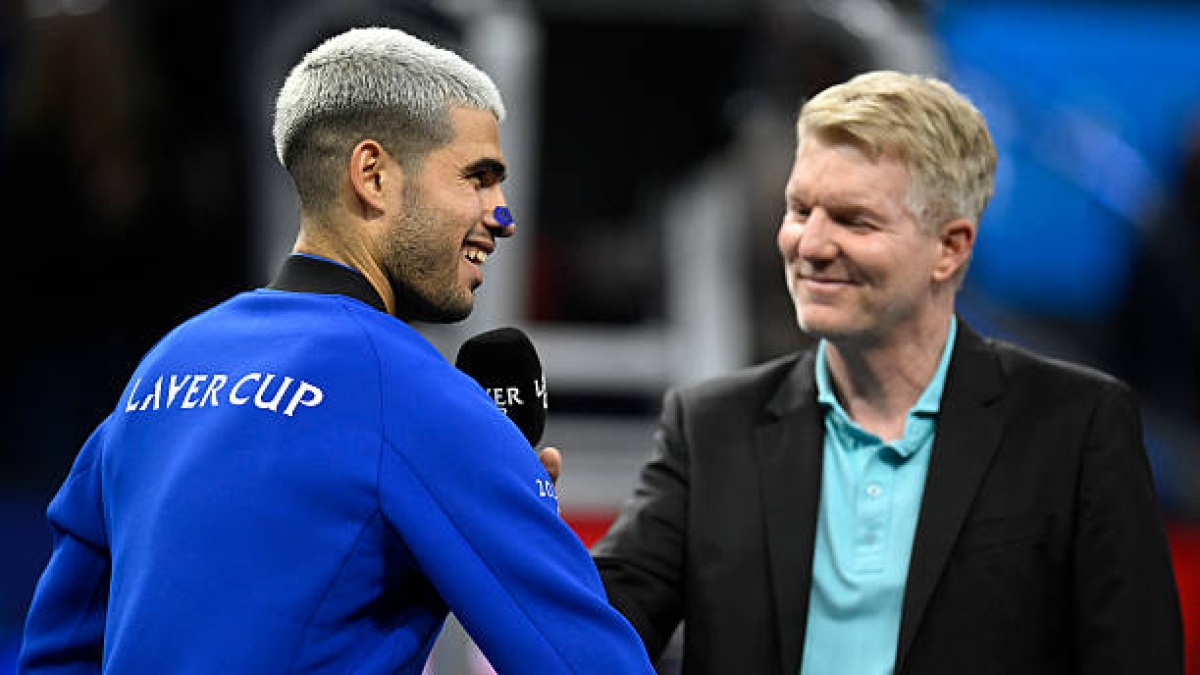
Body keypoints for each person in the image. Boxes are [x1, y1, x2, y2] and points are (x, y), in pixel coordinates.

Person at [18, 26, 654, 674]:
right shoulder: (414, 393)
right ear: (373, 176)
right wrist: (517, 510)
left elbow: (57, 648)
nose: (503, 216)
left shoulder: (166, 365)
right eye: (476, 179)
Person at [590, 70, 1184, 674]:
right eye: (800, 210)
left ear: (950, 247)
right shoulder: (710, 428)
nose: (811, 245)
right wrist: (525, 504)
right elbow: (591, 624)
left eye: (853, 221)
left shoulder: (1075, 427)